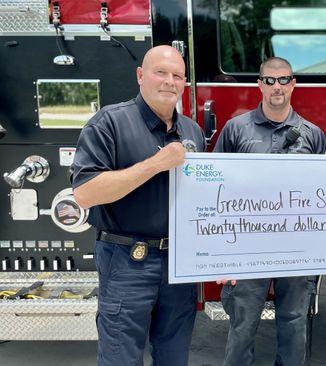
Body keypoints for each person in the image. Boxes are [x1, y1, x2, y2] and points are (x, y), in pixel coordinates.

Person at [71, 45, 205, 366]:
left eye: (177, 76)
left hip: (179, 266)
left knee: (174, 358)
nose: (169, 82)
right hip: (127, 262)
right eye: (161, 72)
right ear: (141, 76)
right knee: (121, 358)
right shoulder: (109, 123)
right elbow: (85, 193)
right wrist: (155, 164)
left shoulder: (193, 131)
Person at [213, 57, 326, 366]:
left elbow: (323, 197)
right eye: (270, 80)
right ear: (259, 85)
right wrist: (222, 255)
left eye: (284, 80)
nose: (277, 87)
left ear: (293, 85)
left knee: (293, 325)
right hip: (247, 249)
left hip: (297, 249)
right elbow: (215, 191)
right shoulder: (236, 130)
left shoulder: (312, 135)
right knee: (242, 327)